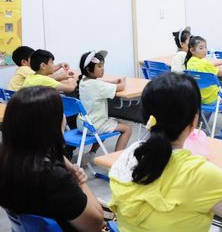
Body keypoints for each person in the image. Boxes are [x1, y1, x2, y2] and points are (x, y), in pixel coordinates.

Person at [109, 73, 222, 231]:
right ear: (194, 120)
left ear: (147, 118)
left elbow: (180, 191)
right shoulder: (199, 173)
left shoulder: (131, 153)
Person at [0, 87, 104, 231]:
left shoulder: (7, 158)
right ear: (51, 123)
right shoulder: (53, 176)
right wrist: (79, 180)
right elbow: (96, 224)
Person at [77, 50, 132, 153]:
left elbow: (99, 84)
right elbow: (121, 87)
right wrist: (123, 81)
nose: (103, 69)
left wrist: (112, 82)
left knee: (111, 123)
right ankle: (114, 159)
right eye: (99, 66)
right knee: (127, 129)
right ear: (89, 70)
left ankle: (92, 153)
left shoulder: (83, 81)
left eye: (103, 65)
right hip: (95, 125)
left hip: (83, 124)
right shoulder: (97, 86)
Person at [8, 46, 73, 91]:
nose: (35, 60)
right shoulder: (24, 69)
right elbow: (44, 77)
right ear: (24, 62)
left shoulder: (27, 73)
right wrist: (63, 76)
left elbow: (43, 72)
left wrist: (60, 65)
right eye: (32, 58)